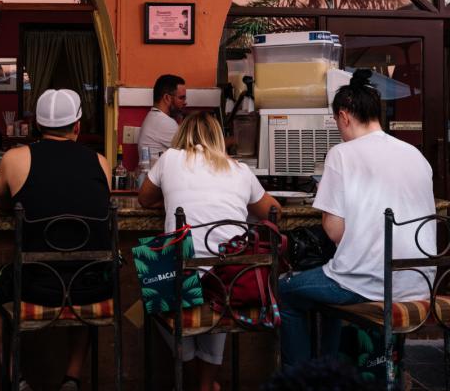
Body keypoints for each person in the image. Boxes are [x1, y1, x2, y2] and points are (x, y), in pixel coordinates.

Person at [278, 69, 436, 369]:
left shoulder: (342, 154)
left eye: (337, 122)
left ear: (344, 115)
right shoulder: (415, 154)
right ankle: (331, 370)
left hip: (369, 283)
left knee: (285, 291)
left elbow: (334, 230)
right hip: (419, 282)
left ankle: (303, 379)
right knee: (327, 287)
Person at [0, 89, 112, 391]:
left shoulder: (15, 158)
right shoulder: (100, 162)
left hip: (35, 286)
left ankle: (16, 377)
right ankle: (72, 378)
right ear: (78, 125)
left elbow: (2, 202)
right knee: (85, 276)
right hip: (91, 288)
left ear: (37, 126)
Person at [138, 111, 280, 391]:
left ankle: (189, 363)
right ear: (218, 138)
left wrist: (170, 199)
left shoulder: (169, 159)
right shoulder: (238, 169)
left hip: (182, 282)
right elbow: (274, 211)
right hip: (231, 285)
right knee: (221, 278)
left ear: (181, 136)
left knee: (150, 291)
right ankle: (205, 385)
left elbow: (144, 198)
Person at [137, 74, 187, 159]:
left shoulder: (154, 117)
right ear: (167, 98)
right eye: (181, 98)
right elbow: (190, 154)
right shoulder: (164, 122)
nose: (185, 102)